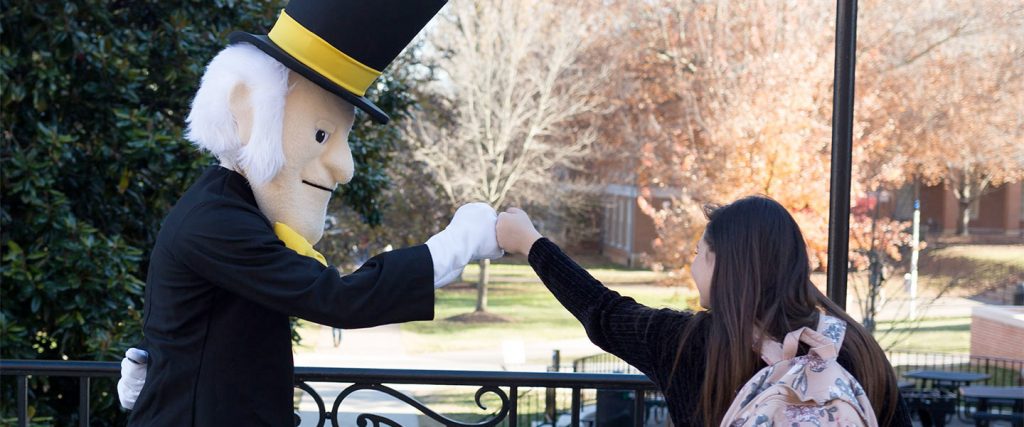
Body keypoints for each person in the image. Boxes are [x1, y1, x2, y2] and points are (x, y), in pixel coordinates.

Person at [496, 196, 912, 426]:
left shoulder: (690, 343)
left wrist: (530, 243)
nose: (693, 265)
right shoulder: (852, 346)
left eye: (699, 253)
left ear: (720, 265)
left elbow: (601, 310)